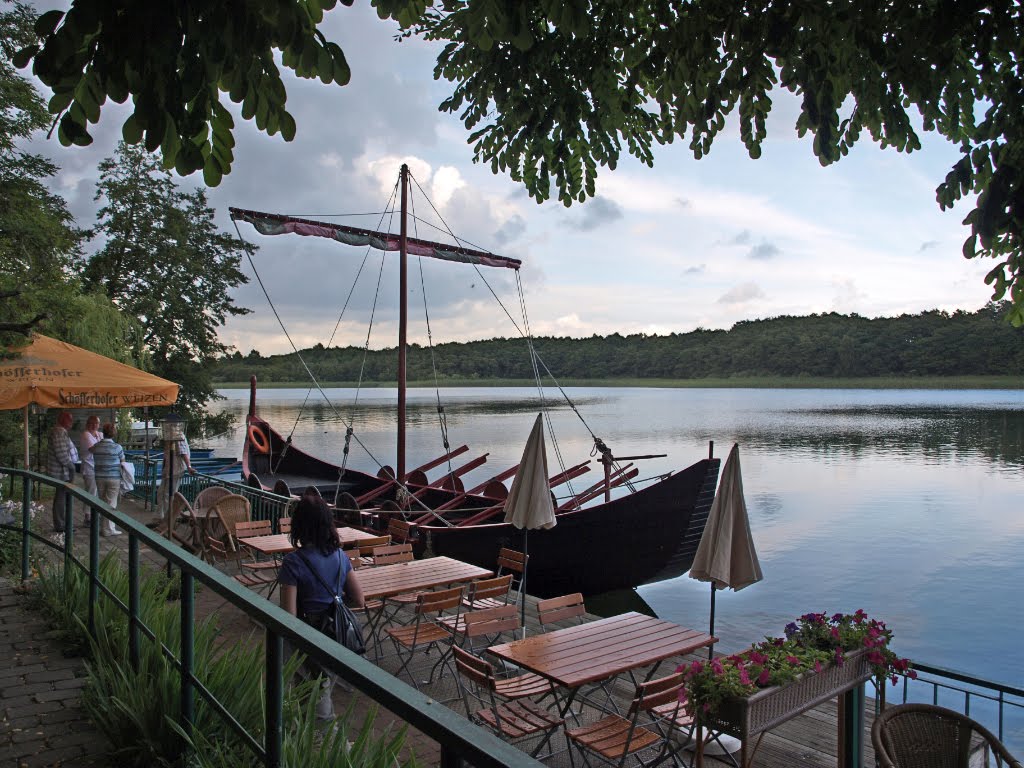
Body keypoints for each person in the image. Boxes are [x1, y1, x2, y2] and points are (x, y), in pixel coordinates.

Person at [278, 491, 364, 722]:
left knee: (314, 699)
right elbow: (359, 599)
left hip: (310, 635)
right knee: (321, 689)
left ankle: (325, 745)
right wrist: (334, 603)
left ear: (299, 525)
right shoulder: (340, 556)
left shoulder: (293, 563)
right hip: (337, 633)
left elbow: (289, 616)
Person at [90, 423, 124, 536]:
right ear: (114, 434)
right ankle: (108, 529)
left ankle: (104, 527)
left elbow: (90, 451)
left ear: (103, 433)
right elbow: (123, 462)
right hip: (114, 478)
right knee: (111, 502)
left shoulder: (96, 446)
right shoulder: (117, 447)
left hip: (99, 477)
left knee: (102, 500)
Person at [156, 426, 194, 522]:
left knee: (168, 494)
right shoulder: (169, 437)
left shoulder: (178, 436)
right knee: (161, 493)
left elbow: (183, 453)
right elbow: (167, 455)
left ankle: (168, 518)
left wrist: (189, 467)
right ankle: (161, 516)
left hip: (175, 469)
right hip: (168, 469)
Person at [46, 411, 76, 532]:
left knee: (61, 497)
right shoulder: (58, 432)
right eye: (69, 419)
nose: (71, 423)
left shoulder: (60, 431)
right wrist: (72, 467)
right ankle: (60, 525)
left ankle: (62, 523)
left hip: (61, 471)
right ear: (62, 420)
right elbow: (61, 454)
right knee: (61, 498)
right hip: (60, 472)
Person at [79, 415, 101, 524]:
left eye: (96, 423)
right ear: (87, 424)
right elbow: (93, 449)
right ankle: (88, 517)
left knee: (95, 492)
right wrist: (104, 444)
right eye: (92, 423)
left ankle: (93, 514)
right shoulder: (86, 435)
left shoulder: (98, 435)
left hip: (97, 468)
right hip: (88, 468)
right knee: (91, 492)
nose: (94, 425)